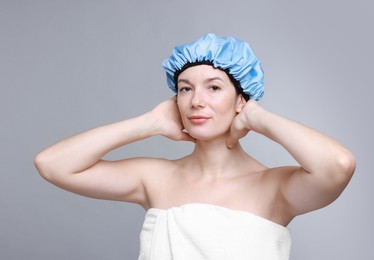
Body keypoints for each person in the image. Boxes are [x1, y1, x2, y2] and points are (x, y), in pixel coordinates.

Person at [34, 33, 356, 260]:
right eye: (185, 89)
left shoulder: (273, 188)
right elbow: (52, 164)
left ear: (240, 99)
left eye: (214, 87)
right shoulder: (155, 178)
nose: (196, 101)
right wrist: (149, 122)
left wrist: (257, 116)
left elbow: (338, 165)